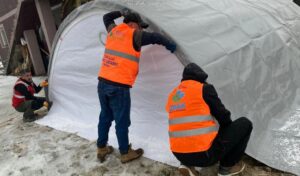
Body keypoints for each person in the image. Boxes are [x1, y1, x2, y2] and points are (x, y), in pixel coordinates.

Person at [97, 9, 177, 163]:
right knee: (122, 120)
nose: (141, 30)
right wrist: (171, 45)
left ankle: (101, 147)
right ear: (133, 24)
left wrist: (120, 11)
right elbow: (156, 37)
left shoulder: (113, 30)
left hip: (102, 83)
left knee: (105, 116)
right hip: (119, 86)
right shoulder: (134, 34)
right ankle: (125, 152)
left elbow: (106, 16)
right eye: (140, 26)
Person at [166, 63, 253, 176]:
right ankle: (226, 167)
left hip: (178, 153)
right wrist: (230, 135)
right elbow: (223, 116)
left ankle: (187, 165)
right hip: (203, 155)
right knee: (245, 123)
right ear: (201, 78)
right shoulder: (204, 89)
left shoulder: (173, 95)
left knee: (188, 131)